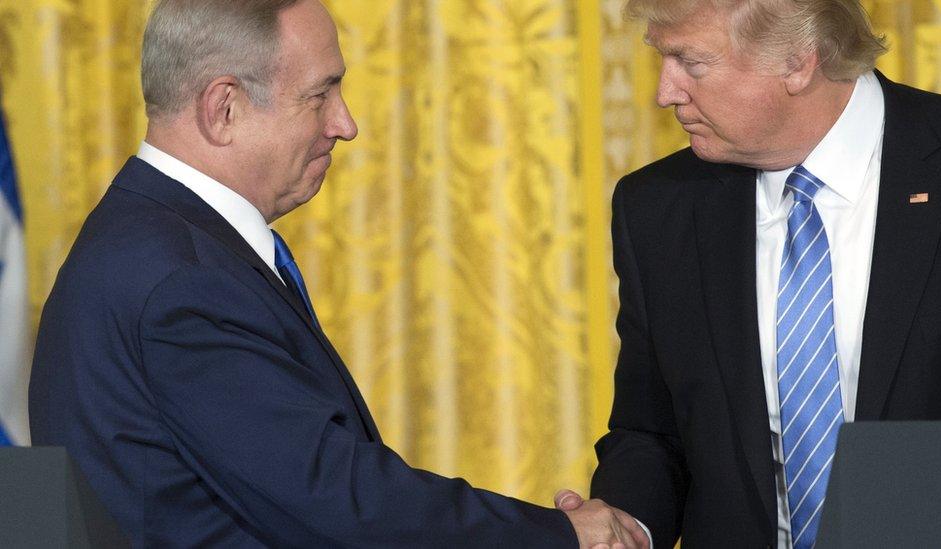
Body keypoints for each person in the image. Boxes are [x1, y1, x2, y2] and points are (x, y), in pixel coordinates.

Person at [27, 1, 649, 547]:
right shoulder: (179, 279)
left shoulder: (154, 241)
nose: (344, 124)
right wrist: (558, 536)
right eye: (320, 95)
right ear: (223, 109)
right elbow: (334, 501)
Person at [577, 0, 941, 547]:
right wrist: (629, 523)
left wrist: (890, 521)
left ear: (797, 60)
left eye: (691, 64)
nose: (665, 92)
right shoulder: (658, 206)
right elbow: (652, 429)